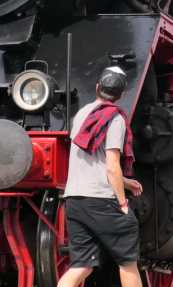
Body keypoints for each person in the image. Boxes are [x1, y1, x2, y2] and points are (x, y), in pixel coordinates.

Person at [56, 67, 144, 287]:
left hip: (75, 200)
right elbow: (112, 166)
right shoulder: (115, 118)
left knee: (81, 266)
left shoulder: (82, 114)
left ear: (97, 88)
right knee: (128, 263)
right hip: (101, 201)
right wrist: (123, 203)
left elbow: (91, 162)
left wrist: (126, 182)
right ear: (121, 95)